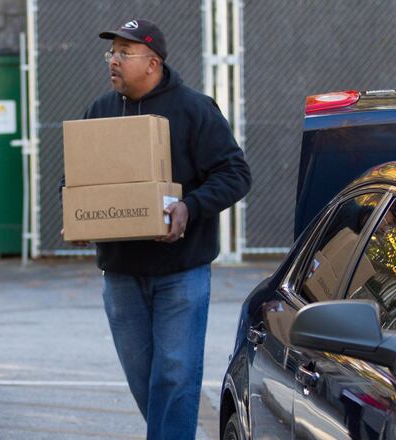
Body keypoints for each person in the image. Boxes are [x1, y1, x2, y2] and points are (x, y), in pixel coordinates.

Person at [69, 19, 252, 439]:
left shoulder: (194, 110)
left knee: (174, 375)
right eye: (110, 52)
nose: (112, 61)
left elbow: (235, 174)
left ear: (152, 62)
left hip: (180, 271)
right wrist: (76, 212)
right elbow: (78, 179)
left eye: (122, 53)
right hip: (121, 272)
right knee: (144, 378)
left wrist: (191, 206)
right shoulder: (100, 112)